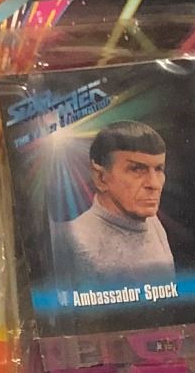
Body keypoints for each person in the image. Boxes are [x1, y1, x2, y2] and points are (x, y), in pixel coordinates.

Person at [60, 120, 177, 284]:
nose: (154, 184)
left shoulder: (152, 221)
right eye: (137, 169)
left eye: (158, 169)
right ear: (101, 178)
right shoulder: (74, 240)